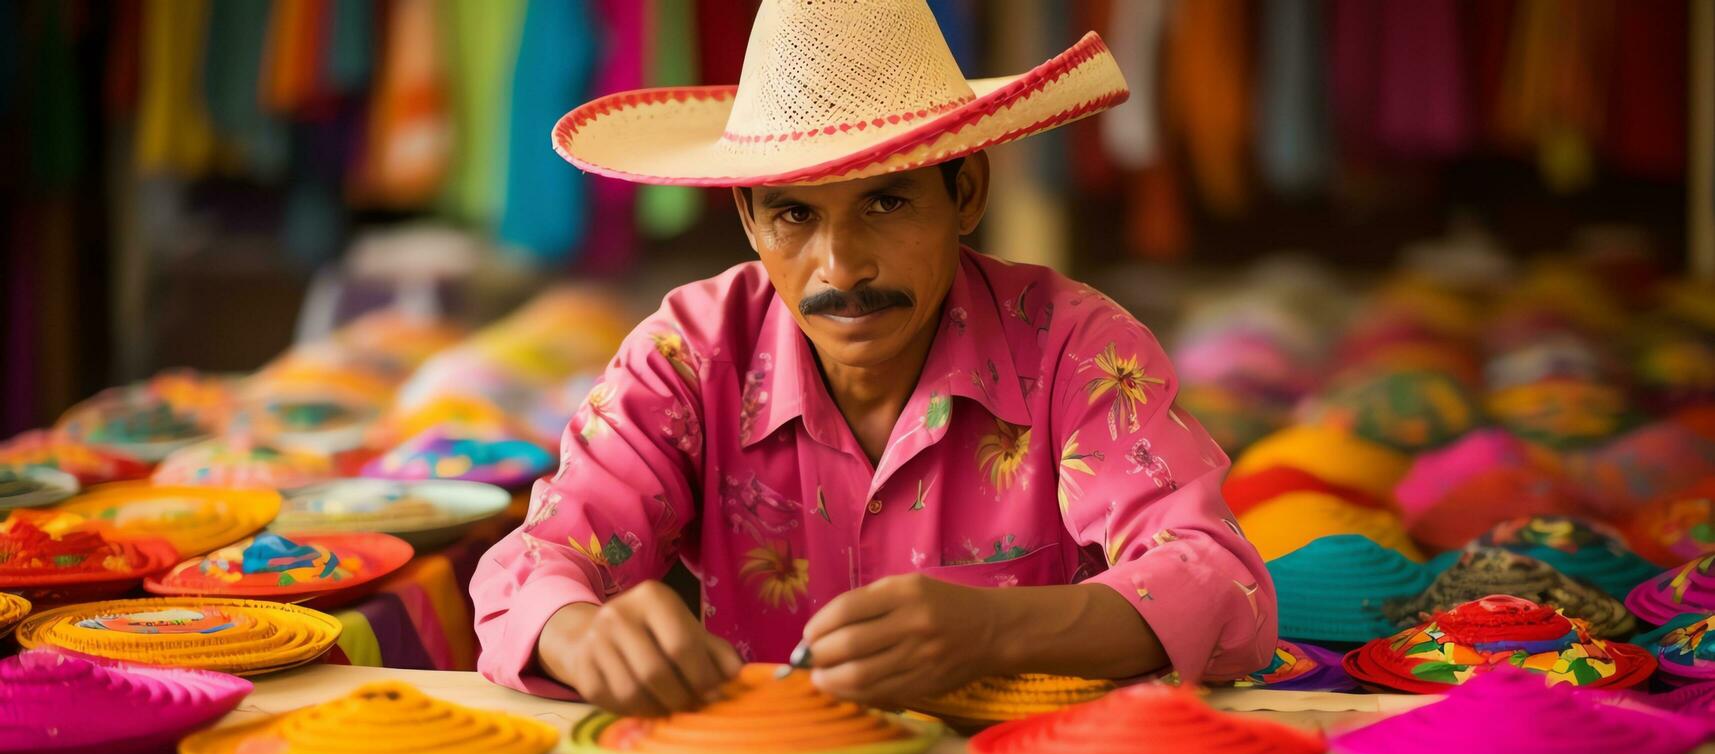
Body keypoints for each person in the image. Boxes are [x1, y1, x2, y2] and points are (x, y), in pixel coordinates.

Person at [471, 0, 1276, 714]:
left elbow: (1218, 584)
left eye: (885, 202)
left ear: (965, 195)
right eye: (793, 214)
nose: (841, 267)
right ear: (748, 222)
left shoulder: (1075, 348)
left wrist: (1000, 630)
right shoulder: (688, 357)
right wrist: (582, 636)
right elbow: (535, 561)